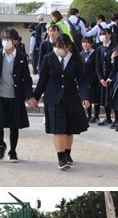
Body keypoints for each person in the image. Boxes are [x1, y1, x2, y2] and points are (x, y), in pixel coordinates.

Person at [34, 33, 90, 170]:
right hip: (53, 98)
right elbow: (42, 80)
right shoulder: (48, 58)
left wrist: (85, 97)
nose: (57, 49)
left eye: (61, 47)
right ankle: (61, 159)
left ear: (68, 47)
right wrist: (35, 97)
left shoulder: (76, 59)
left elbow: (82, 80)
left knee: (69, 129)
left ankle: (67, 153)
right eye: (56, 46)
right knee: (58, 129)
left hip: (71, 97)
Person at [0, 27, 37, 163]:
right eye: (4, 38)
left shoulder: (21, 57)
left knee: (14, 125)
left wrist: (30, 96)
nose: (6, 40)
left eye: (9, 38)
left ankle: (13, 151)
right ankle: (1, 144)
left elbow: (26, 79)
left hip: (15, 96)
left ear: (16, 41)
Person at [95, 28, 117, 127]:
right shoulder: (99, 48)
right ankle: (108, 118)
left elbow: (116, 65)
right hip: (103, 78)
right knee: (105, 99)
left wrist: (110, 77)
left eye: (105, 34)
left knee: (114, 98)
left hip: (112, 78)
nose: (103, 36)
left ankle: (116, 119)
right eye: (101, 34)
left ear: (109, 35)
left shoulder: (114, 47)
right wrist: (100, 78)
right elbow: (97, 65)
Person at [81, 37, 100, 124]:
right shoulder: (81, 54)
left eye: (87, 42)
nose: (85, 44)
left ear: (91, 44)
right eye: (84, 42)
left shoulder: (95, 53)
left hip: (94, 79)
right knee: (87, 97)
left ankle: (96, 116)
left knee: (95, 97)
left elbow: (97, 68)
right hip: (84, 80)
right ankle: (88, 115)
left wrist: (92, 80)